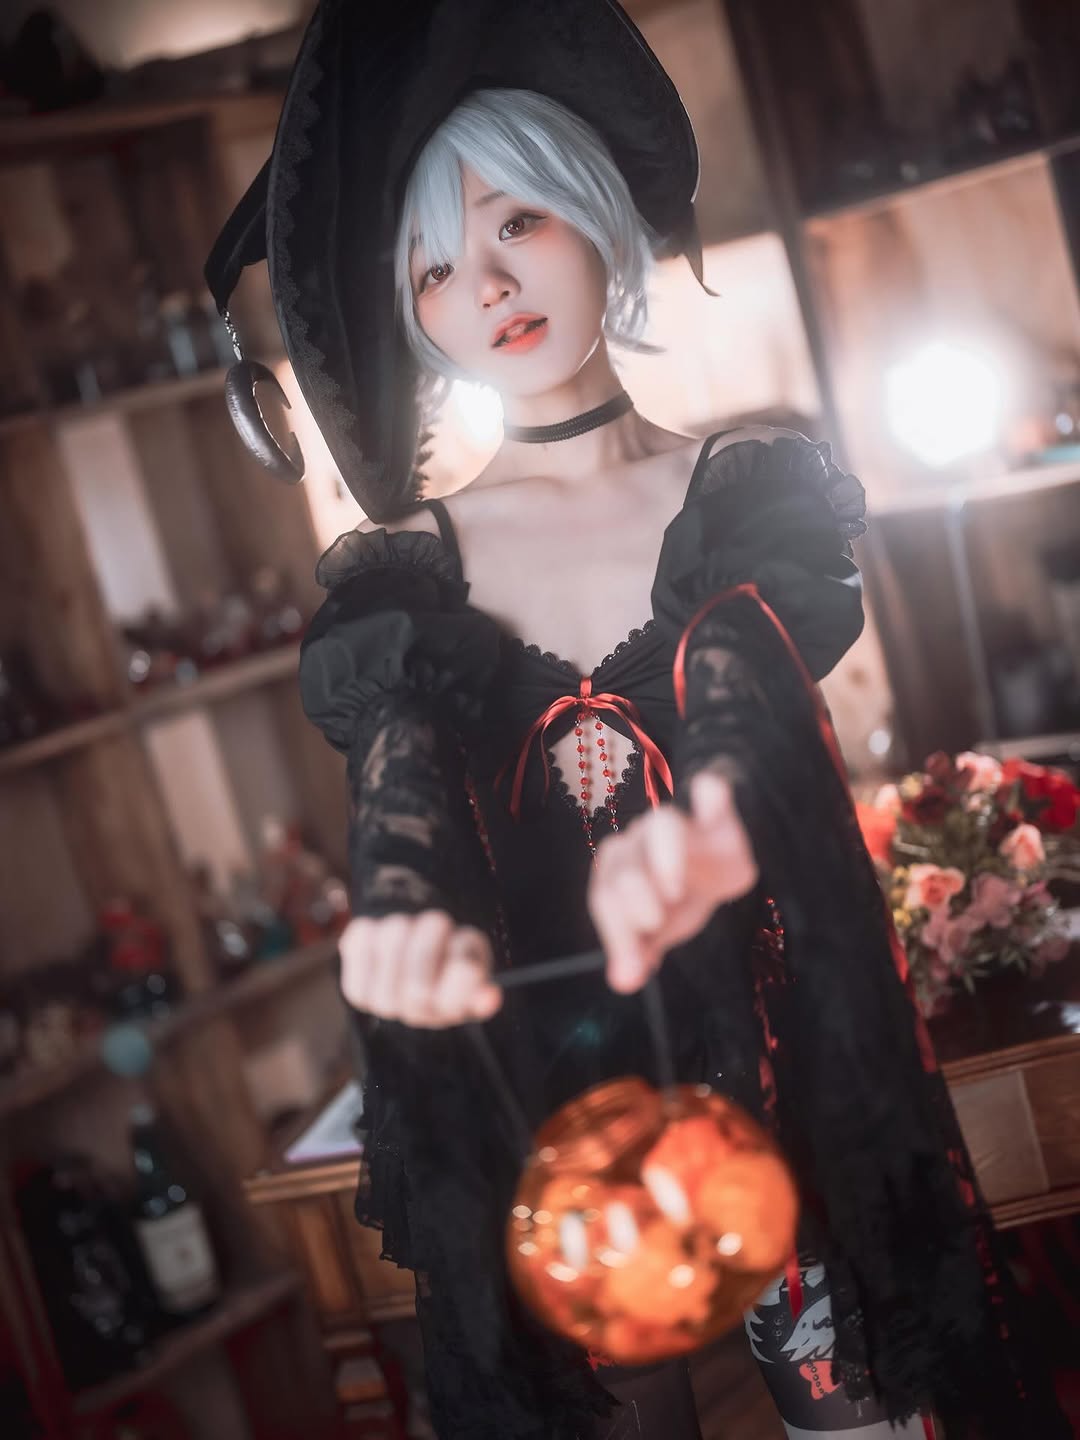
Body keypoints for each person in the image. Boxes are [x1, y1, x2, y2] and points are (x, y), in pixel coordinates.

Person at [205, 4, 1071, 1438]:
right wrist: (398, 901)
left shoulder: (747, 490)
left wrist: (720, 815)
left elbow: (743, 678)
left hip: (784, 1078)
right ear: (414, 315)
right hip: (554, 1126)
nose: (486, 285)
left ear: (593, 209)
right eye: (435, 267)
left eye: (516, 222)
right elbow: (401, 773)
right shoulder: (406, 574)